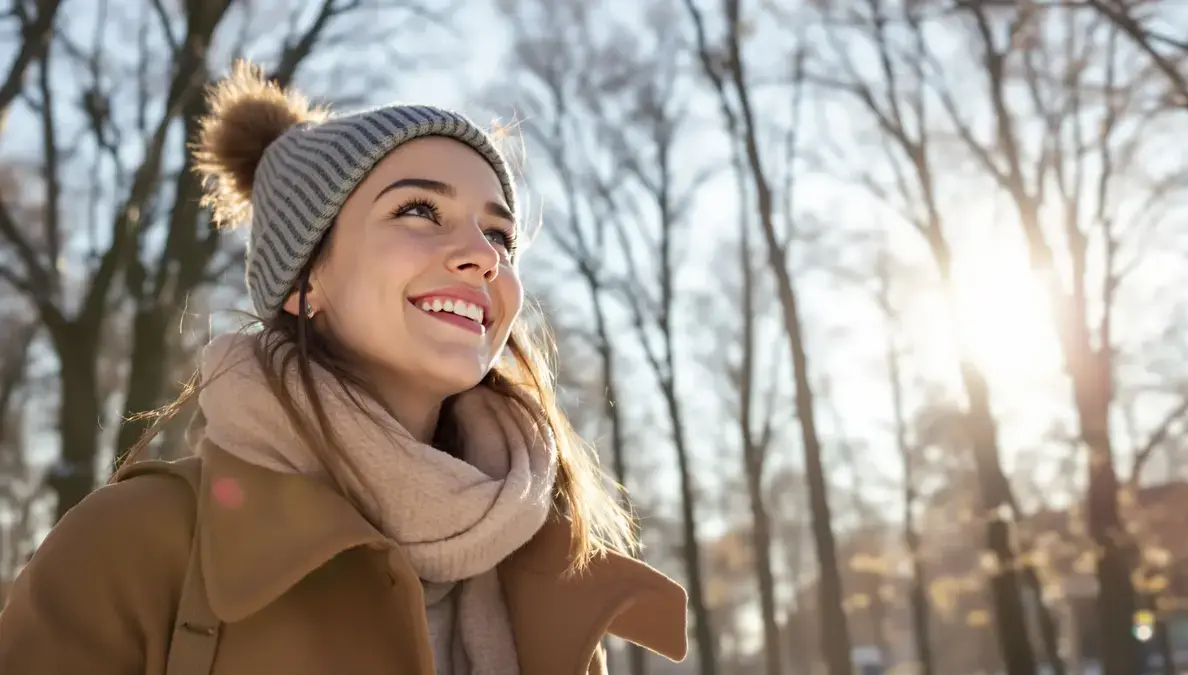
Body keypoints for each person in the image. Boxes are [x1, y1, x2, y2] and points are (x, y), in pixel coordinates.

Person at [0, 61, 687, 675]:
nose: (484, 256)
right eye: (419, 210)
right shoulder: (133, 544)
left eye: (500, 235)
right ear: (304, 282)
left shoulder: (551, 576)